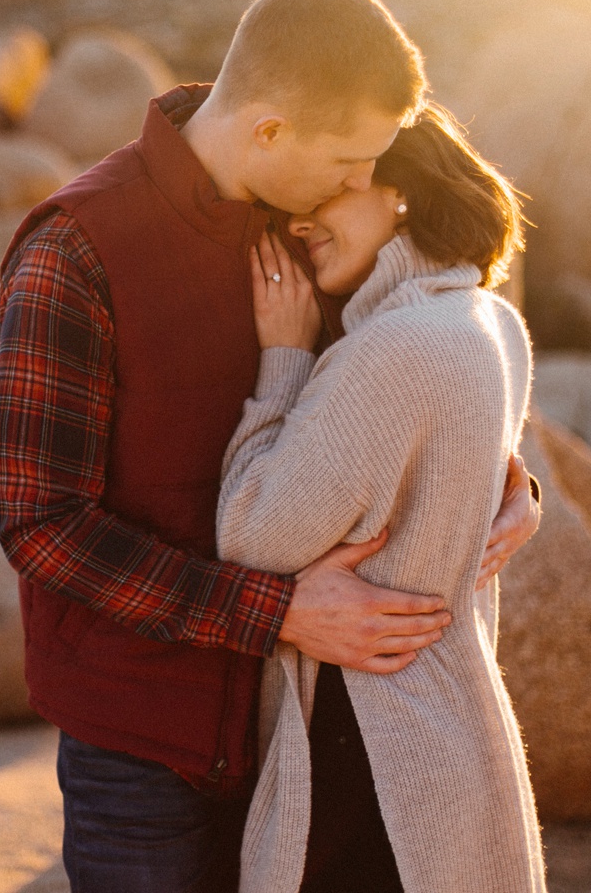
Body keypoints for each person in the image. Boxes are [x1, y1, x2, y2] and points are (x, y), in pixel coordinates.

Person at [0, 0, 541, 893]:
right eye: (351, 162)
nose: (368, 184)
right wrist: (278, 612)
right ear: (270, 131)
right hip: (145, 741)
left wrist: (507, 485)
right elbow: (41, 525)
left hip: (294, 722)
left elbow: (395, 385)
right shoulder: (76, 251)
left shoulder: (307, 228)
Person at [218, 102, 544, 892]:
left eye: (324, 195)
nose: (299, 226)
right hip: (449, 737)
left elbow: (249, 533)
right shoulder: (489, 320)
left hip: (370, 752)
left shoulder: (390, 353)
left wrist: (285, 360)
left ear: (396, 189)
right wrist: (522, 490)